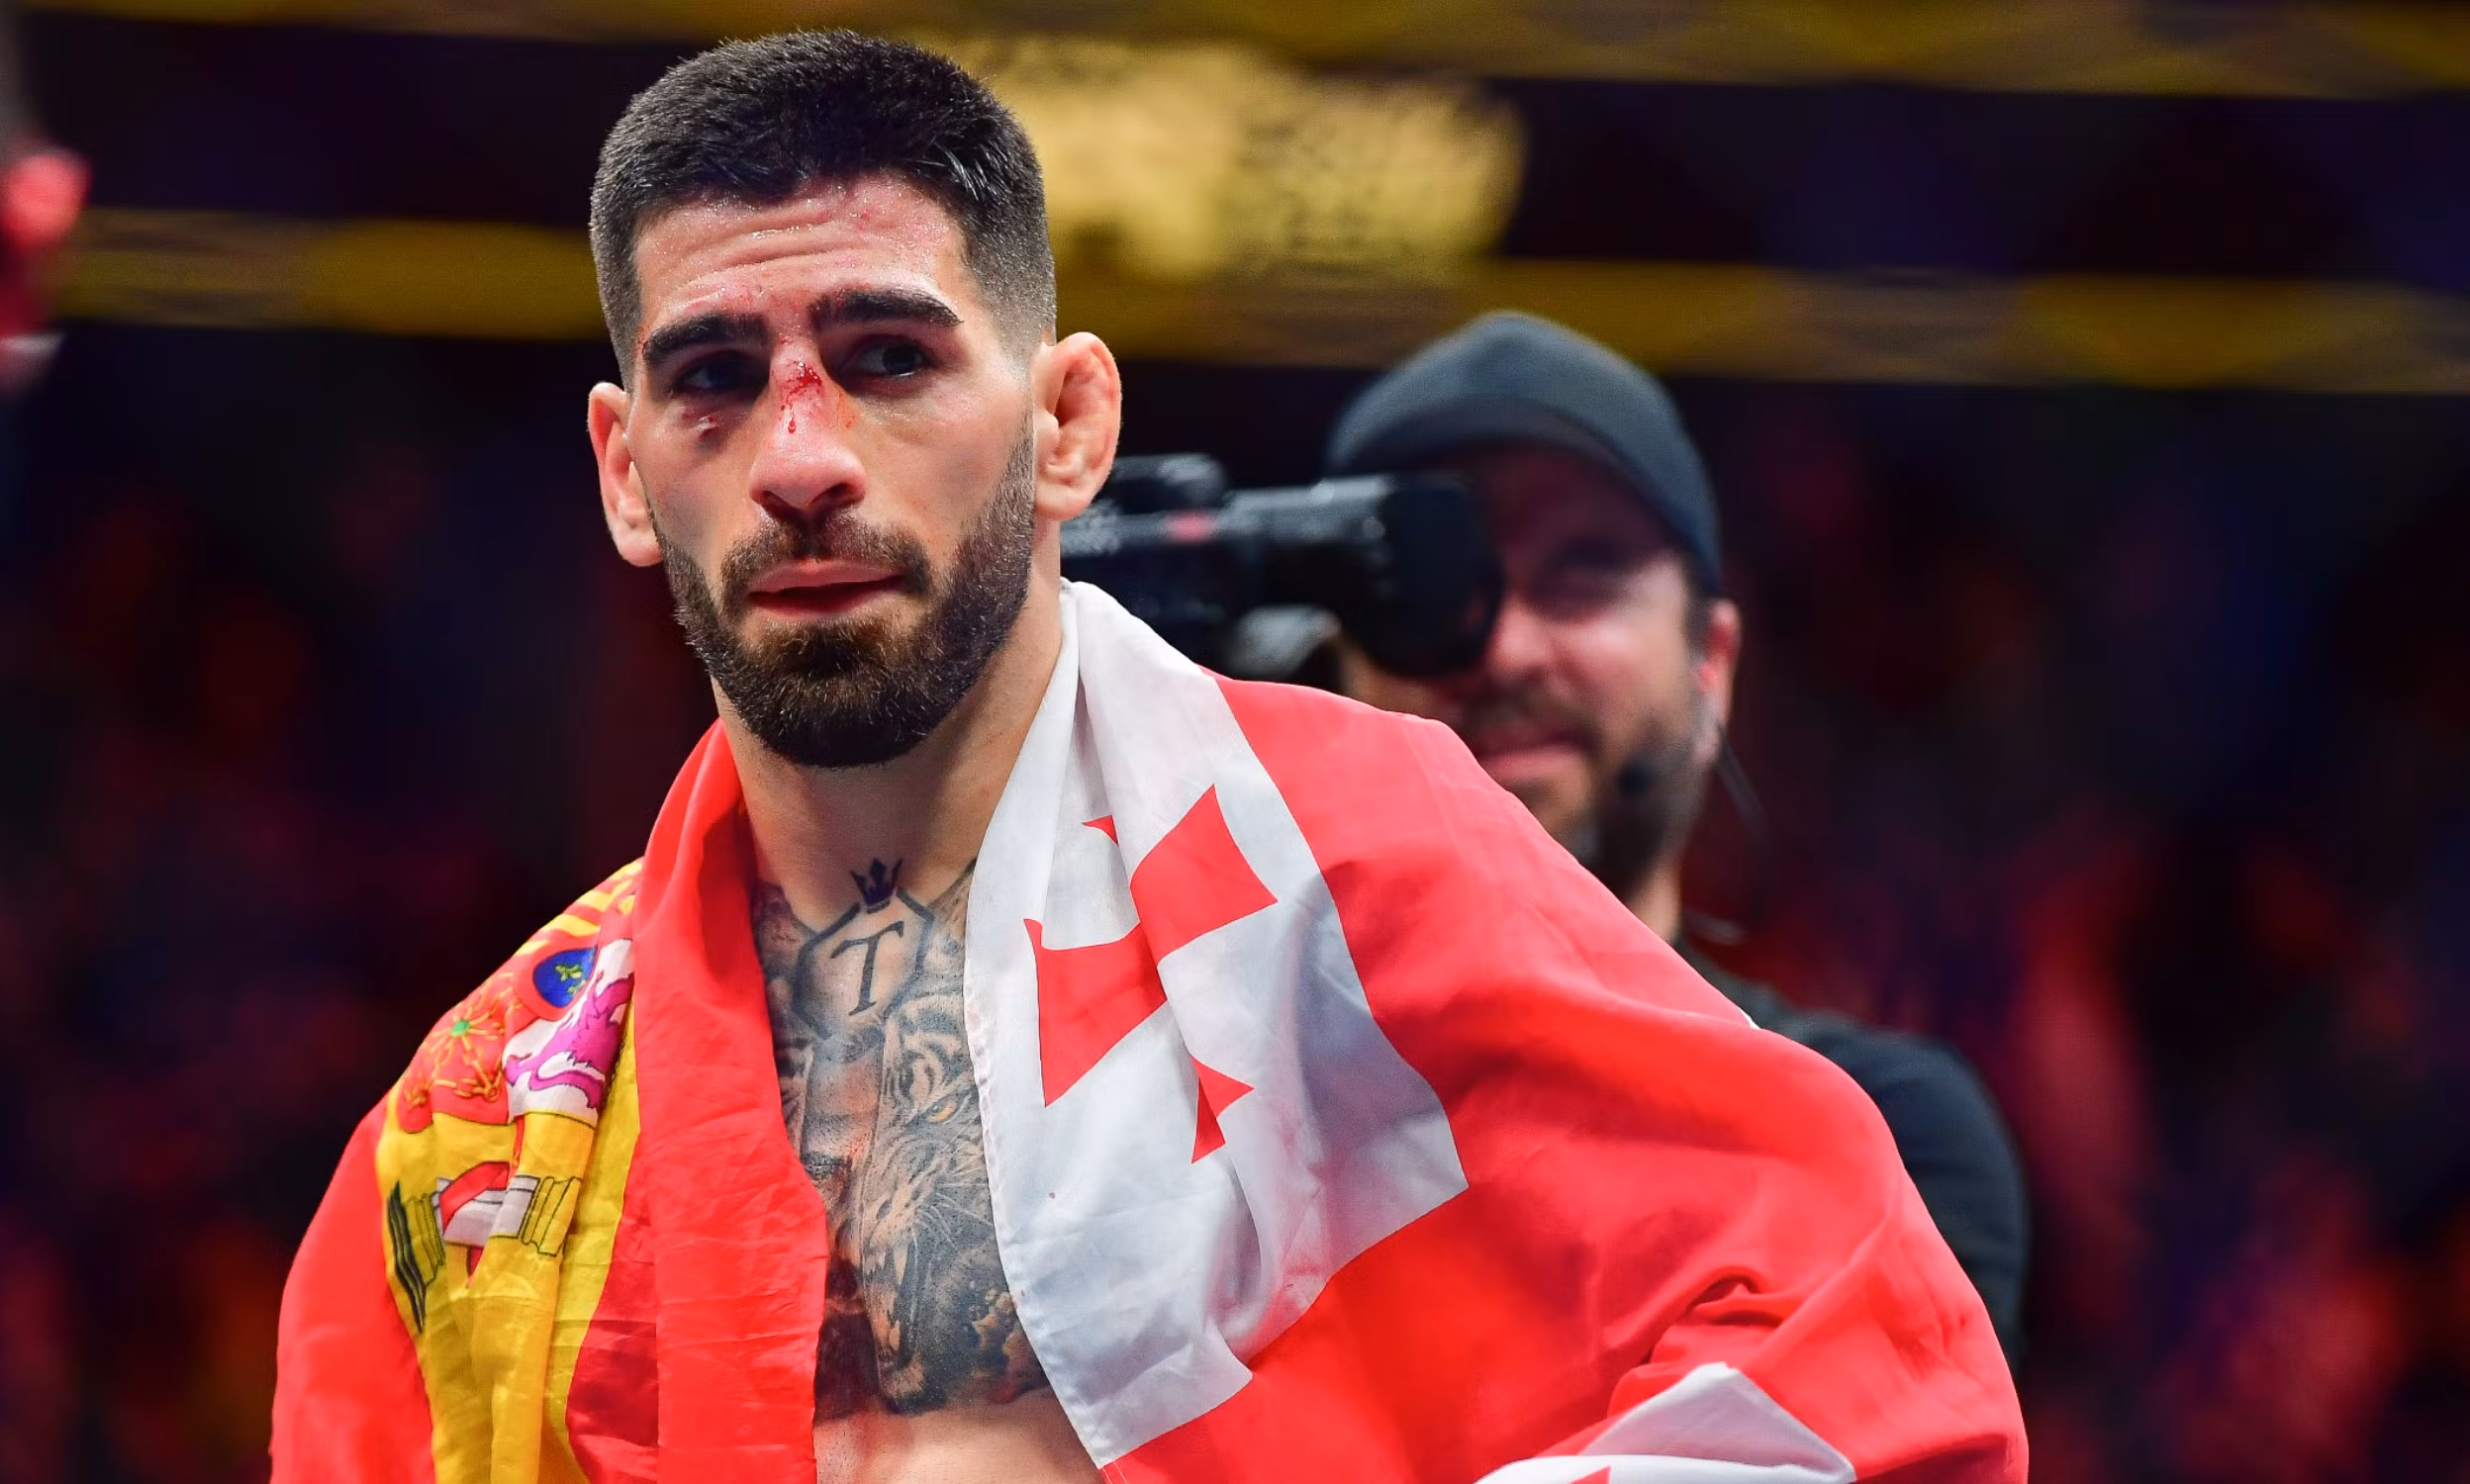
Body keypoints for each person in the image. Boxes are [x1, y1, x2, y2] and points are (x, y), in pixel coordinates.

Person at [272, 32, 2021, 1484]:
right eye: (715, 378)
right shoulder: (491, 1119)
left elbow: (1864, 1365)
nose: (799, 457)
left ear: (1067, 425)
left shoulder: (1357, 858)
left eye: (889, 358)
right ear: (623, 470)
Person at [1323, 311, 2031, 1361]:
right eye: (1428, 592)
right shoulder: (1217, 1112)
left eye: (1582, 572)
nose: (1503, 647)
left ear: (1713, 665)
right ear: (1337, 672)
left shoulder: (1873, 1130)